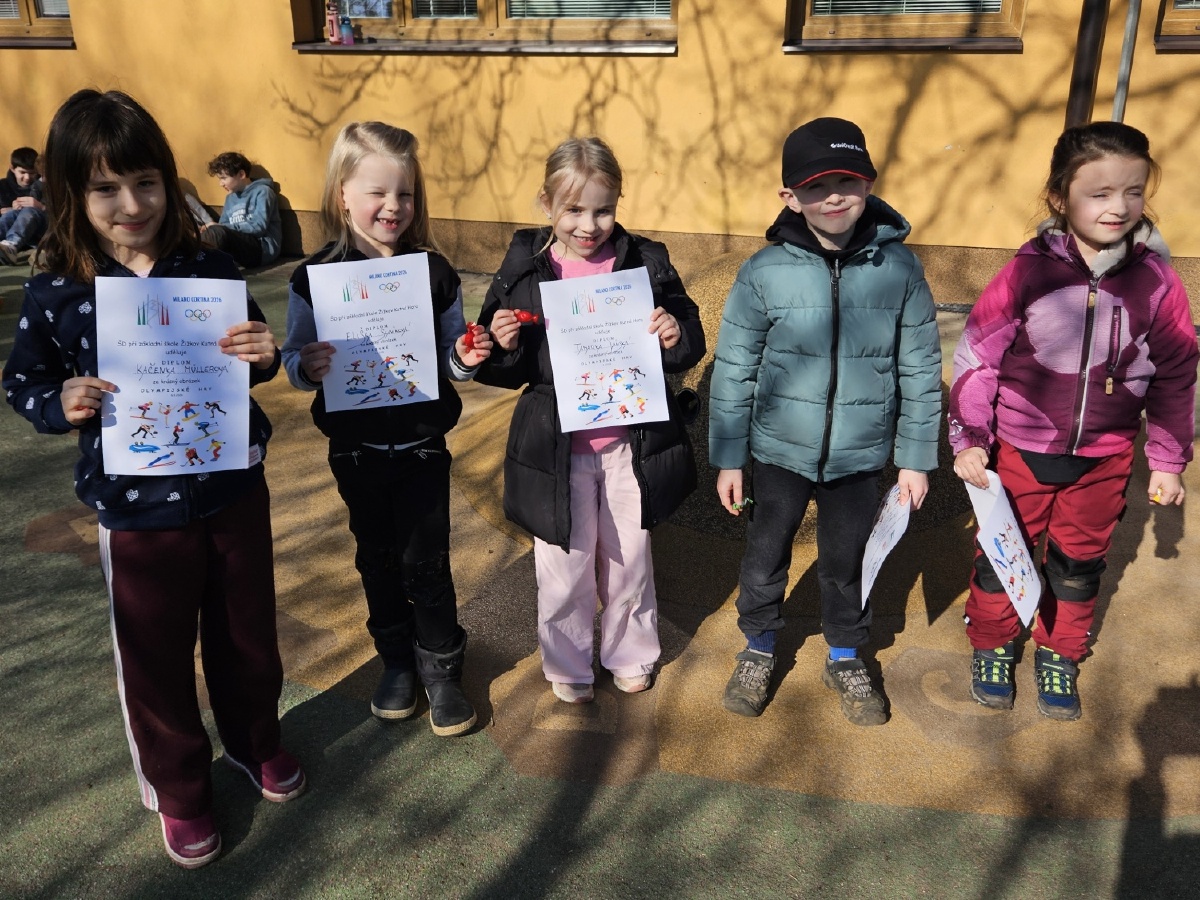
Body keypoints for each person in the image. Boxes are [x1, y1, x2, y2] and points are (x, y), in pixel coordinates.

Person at [1, 90, 304, 870]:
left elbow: (246, 359)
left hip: (232, 488)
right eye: (105, 188)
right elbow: (23, 381)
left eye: (145, 182)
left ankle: (254, 742)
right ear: (71, 195)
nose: (131, 205)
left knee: (247, 635)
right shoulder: (57, 290)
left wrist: (263, 355)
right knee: (155, 656)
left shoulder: (209, 267)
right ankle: (180, 789)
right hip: (136, 510)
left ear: (169, 182)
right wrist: (58, 402)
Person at [948, 121, 1197, 721]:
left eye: (1133, 191)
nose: (1119, 207)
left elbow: (1176, 373)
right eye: (1099, 193)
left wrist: (1167, 461)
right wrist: (969, 438)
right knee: (1003, 552)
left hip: (1104, 456)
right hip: (1019, 449)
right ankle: (994, 641)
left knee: (1079, 563)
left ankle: (1060, 649)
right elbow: (978, 358)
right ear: (1060, 196)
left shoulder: (1157, 281)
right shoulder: (1027, 273)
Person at [709, 117, 942, 724]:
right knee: (766, 555)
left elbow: (920, 368)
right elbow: (734, 369)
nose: (833, 197)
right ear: (789, 196)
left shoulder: (900, 269)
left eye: (847, 182)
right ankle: (759, 644)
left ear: (869, 184)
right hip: (777, 452)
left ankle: (845, 653)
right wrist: (729, 458)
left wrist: (915, 459)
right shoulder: (764, 271)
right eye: (815, 186)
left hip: (860, 457)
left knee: (848, 560)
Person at [475, 137, 705, 704]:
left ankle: (631, 652)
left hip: (631, 443)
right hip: (556, 448)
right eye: (573, 209)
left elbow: (688, 336)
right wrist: (502, 343)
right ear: (546, 202)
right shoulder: (525, 266)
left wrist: (673, 334)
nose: (589, 224)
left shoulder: (646, 260)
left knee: (629, 562)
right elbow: (498, 361)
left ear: (619, 202)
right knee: (564, 565)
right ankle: (567, 662)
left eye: (603, 209)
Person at [282, 121, 488, 736]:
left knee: (428, 561)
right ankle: (396, 662)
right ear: (341, 194)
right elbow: (294, 361)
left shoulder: (434, 272)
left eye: (405, 194)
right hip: (356, 451)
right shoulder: (313, 278)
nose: (393, 206)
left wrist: (466, 358)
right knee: (376, 558)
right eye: (376, 192)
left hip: (423, 447)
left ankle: (442, 669)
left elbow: (450, 358)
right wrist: (308, 367)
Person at [199, 151, 282, 268]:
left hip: (261, 249)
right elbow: (223, 228)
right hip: (239, 247)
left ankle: (203, 266)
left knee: (217, 232)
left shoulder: (263, 192)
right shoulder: (230, 198)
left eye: (224, 178)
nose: (221, 184)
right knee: (207, 234)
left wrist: (220, 227)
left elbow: (258, 227)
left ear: (241, 174)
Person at [0, 146, 47, 264]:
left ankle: (12, 244)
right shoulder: (3, 187)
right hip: (13, 235)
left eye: (32, 173)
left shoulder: (47, 186)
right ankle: (6, 248)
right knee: (11, 214)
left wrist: (41, 207)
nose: (27, 178)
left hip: (43, 233)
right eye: (22, 172)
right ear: (12, 168)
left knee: (30, 211)